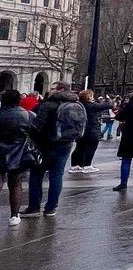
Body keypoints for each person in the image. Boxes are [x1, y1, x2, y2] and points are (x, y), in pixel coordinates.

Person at [24, 82, 86, 217]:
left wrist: (31, 136)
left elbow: (37, 125)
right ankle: (51, 207)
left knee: (36, 174)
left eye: (52, 88)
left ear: (60, 90)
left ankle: (34, 207)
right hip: (67, 143)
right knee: (57, 175)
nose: (49, 90)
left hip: (46, 143)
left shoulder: (48, 104)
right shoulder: (76, 103)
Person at [0, 88, 35, 226]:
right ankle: (14, 215)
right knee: (15, 183)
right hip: (19, 152)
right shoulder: (28, 115)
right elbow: (36, 132)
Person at [70, 90, 109, 173]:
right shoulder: (92, 105)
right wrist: (108, 99)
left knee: (79, 148)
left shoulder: (78, 105)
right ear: (88, 97)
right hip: (91, 129)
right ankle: (87, 165)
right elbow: (107, 105)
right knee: (91, 148)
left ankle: (75, 165)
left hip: (80, 130)